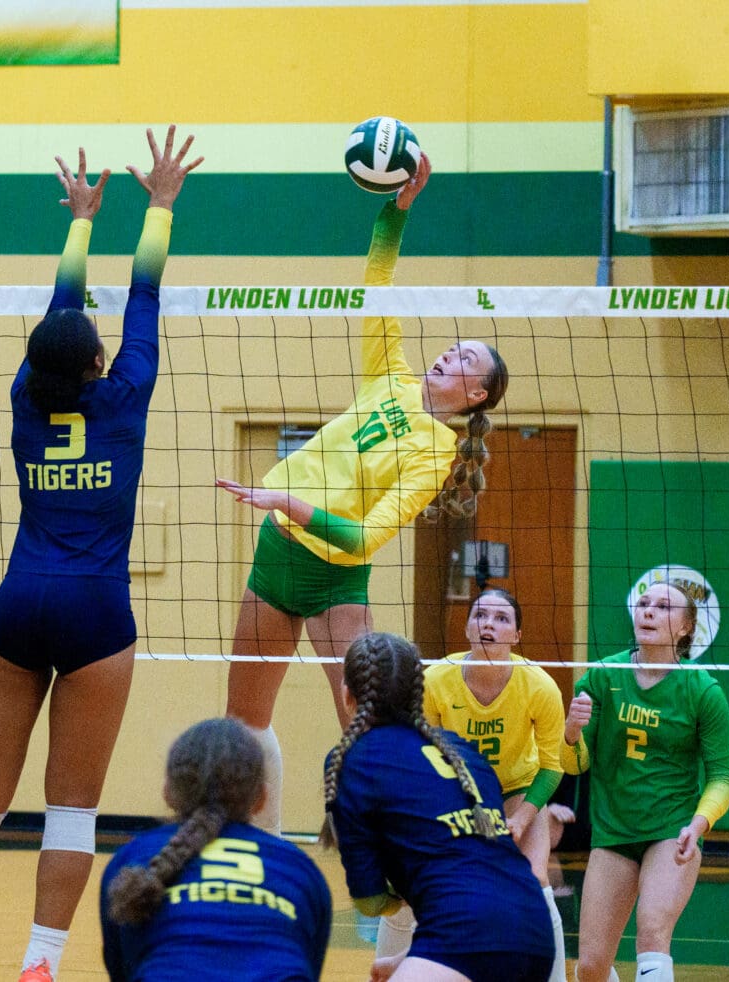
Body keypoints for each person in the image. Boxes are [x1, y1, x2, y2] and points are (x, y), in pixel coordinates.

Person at [0, 126, 202, 982]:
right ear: (98, 362)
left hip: (21, 601)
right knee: (71, 810)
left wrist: (80, 222)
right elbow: (143, 295)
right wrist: (157, 207)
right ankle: (40, 964)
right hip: (96, 613)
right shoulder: (126, 397)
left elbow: (59, 314)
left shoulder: (24, 399)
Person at [216, 153, 509, 834]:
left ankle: (398, 868)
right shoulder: (392, 377)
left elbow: (364, 538)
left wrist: (288, 502)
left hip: (335, 579)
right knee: (242, 722)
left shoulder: (438, 452)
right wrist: (398, 206)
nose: (451, 354)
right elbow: (376, 276)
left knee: (369, 724)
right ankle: (260, 846)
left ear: (474, 396)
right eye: (455, 346)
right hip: (275, 556)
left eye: (467, 360)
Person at [324, 631, 554, 982]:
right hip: (532, 930)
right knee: (387, 969)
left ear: (346, 695)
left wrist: (395, 899)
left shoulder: (351, 760)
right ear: (420, 693)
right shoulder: (465, 754)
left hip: (465, 935)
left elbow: (370, 901)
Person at [369, 590, 566, 981]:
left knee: (534, 879)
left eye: (501, 618)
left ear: (517, 634)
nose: (489, 623)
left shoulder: (539, 686)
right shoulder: (436, 678)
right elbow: (418, 753)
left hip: (516, 788)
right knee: (410, 879)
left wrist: (525, 818)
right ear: (467, 627)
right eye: (480, 615)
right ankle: (387, 972)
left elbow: (552, 765)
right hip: (455, 787)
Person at [563, 580, 729, 982]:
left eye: (663, 606)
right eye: (643, 603)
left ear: (686, 628)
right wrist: (571, 734)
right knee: (590, 967)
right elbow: (573, 765)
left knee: (653, 933)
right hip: (614, 831)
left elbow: (723, 778)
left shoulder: (703, 690)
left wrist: (699, 823)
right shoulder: (604, 676)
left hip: (671, 831)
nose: (649, 611)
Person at [100, 717, 332, 982]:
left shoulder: (132, 861)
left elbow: (123, 971)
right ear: (262, 799)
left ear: (168, 793)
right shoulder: (300, 870)